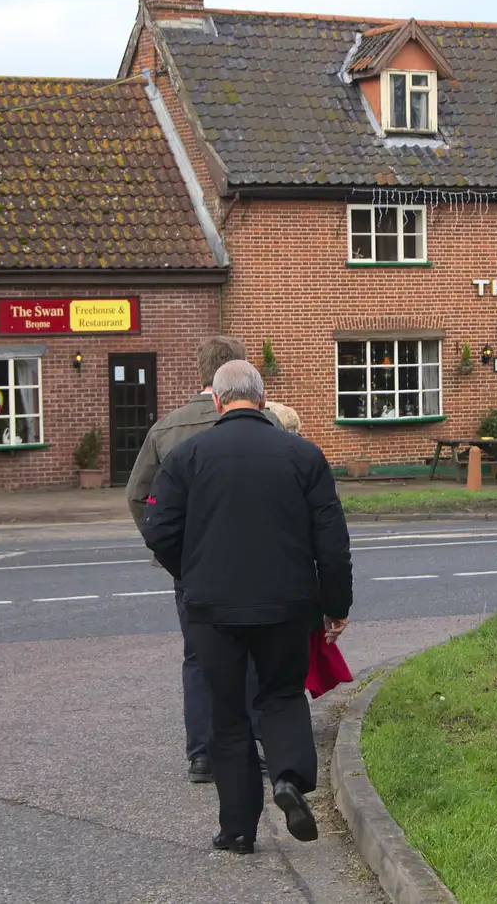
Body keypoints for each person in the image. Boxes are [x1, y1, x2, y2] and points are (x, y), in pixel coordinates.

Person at [142, 360, 352, 855]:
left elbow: (159, 530)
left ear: (216, 401)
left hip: (212, 607)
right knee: (280, 695)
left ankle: (237, 830)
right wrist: (335, 605)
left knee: (227, 713)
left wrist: (190, 571)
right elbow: (332, 540)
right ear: (262, 400)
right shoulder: (303, 455)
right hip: (287, 604)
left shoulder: (188, 455)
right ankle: (288, 779)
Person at [126, 336, 280, 784]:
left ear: (202, 372)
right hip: (258, 557)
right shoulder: (266, 421)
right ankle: (255, 743)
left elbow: (139, 496)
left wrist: (171, 551)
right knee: (255, 651)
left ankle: (202, 753)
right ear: (243, 370)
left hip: (192, 562)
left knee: (198, 655)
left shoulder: (168, 428)